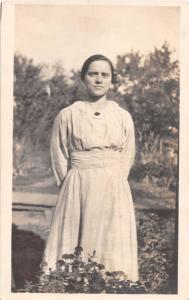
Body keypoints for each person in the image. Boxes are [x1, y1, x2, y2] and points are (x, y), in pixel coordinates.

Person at [42, 54, 138, 282]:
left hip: (113, 185)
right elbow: (59, 153)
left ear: (112, 80)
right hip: (78, 185)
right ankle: (70, 285)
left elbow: (127, 154)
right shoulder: (68, 115)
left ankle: (112, 285)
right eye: (93, 74)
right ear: (83, 78)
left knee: (110, 238)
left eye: (104, 75)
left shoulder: (122, 117)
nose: (98, 80)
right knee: (75, 240)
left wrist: (114, 181)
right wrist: (70, 186)